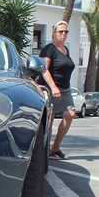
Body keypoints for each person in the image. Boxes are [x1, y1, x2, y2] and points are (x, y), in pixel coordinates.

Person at [39, 21, 76, 160]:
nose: (63, 34)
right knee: (50, 120)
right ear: (54, 33)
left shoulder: (66, 49)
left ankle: (55, 148)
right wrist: (53, 87)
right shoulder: (49, 48)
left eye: (66, 32)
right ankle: (44, 150)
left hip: (65, 89)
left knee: (70, 114)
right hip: (50, 88)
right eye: (60, 31)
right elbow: (44, 69)